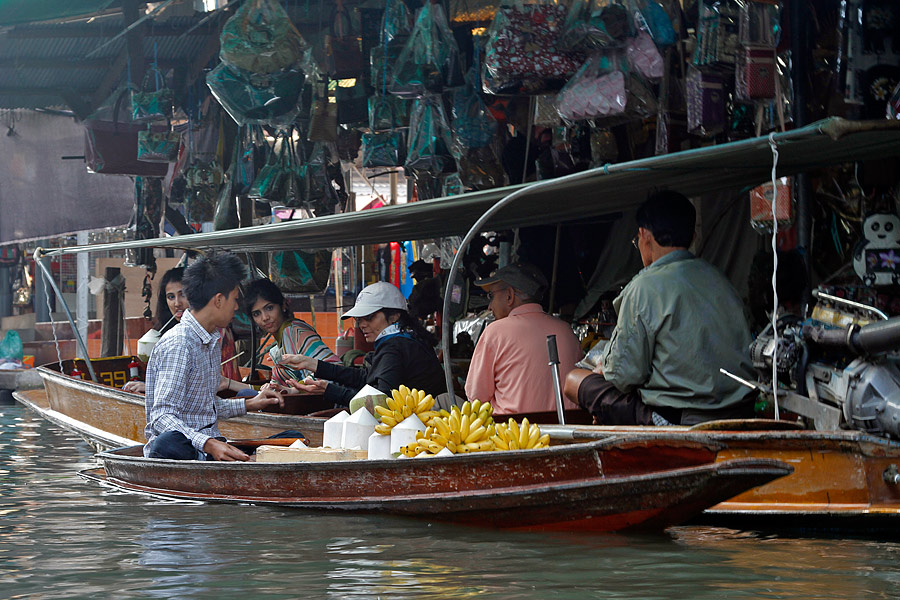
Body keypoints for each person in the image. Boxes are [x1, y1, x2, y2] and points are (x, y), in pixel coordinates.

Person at [564, 190, 756, 426]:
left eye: (637, 241)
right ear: (693, 236)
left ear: (644, 235)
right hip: (739, 411)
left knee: (574, 380)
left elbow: (624, 377)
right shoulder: (720, 280)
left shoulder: (644, 286)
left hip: (680, 418)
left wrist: (604, 368)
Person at [143, 253, 286, 461]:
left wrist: (251, 403)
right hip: (186, 451)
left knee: (294, 438)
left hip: (209, 445)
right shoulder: (179, 344)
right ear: (219, 300)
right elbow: (162, 417)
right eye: (235, 299)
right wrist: (208, 444)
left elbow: (204, 407)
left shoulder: (209, 341)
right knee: (168, 442)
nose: (236, 307)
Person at [279, 282, 446, 406]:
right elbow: (367, 377)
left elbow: (381, 403)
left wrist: (329, 391)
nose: (362, 324)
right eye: (359, 319)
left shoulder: (395, 346)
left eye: (370, 317)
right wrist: (313, 364)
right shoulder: (406, 339)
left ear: (394, 316)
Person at [464, 262, 584, 416]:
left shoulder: (495, 332)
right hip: (566, 431)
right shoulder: (567, 331)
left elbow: (476, 398)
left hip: (512, 435)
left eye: (491, 296)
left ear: (509, 296)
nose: (489, 307)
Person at [124, 267, 249, 395]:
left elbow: (197, 386)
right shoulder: (175, 334)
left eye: (182, 294)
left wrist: (151, 388)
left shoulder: (212, 330)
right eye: (171, 297)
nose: (177, 303)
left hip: (225, 395)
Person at [243, 278, 339, 385]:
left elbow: (335, 367)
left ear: (283, 305)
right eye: (257, 314)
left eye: (269, 308)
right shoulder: (278, 345)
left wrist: (298, 388)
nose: (265, 317)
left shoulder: (295, 332)